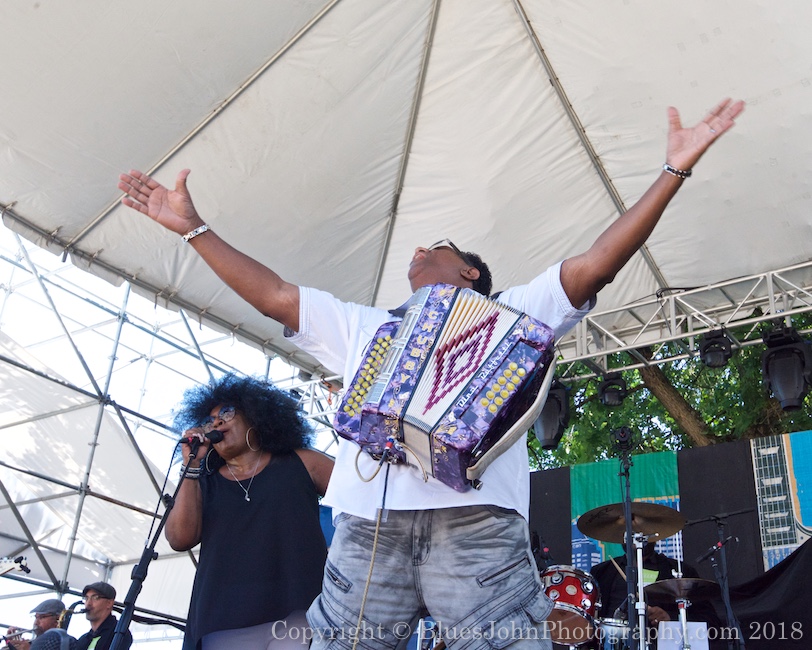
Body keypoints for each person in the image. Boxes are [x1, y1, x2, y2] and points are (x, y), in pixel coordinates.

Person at [120, 98, 744, 649]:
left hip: (474, 525)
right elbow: (276, 295)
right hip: (368, 529)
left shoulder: (516, 315)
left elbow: (594, 266)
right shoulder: (365, 326)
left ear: (471, 271)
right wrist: (195, 231)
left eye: (434, 245)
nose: (416, 252)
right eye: (414, 250)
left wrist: (673, 172)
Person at [164, 373, 334, 650]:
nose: (216, 422)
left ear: (254, 416)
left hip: (298, 611)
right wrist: (191, 466)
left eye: (227, 413)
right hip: (223, 618)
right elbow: (179, 539)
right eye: (208, 421)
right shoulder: (203, 482)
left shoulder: (302, 462)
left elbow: (361, 500)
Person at [591, 542, 723, 648]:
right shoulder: (602, 571)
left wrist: (670, 618)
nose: (636, 536)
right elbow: (587, 619)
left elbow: (711, 622)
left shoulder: (680, 571)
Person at [75, 582, 131, 650]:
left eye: (95, 597)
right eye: (86, 598)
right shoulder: (83, 640)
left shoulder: (119, 633)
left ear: (109, 603)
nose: (88, 603)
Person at [5, 599, 77, 650]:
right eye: (36, 617)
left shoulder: (67, 641)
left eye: (42, 617)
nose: (36, 622)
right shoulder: (30, 643)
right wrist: (9, 645)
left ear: (57, 619)